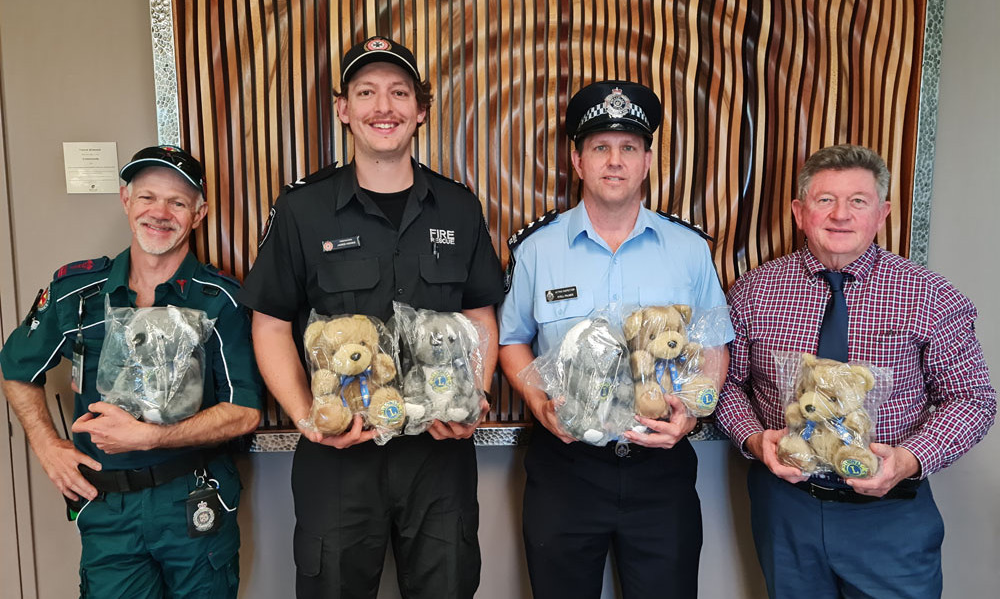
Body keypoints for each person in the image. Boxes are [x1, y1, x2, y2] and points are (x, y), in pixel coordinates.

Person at [240, 35, 504, 599]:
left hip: (439, 453)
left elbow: (480, 313)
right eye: (366, 92)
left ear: (421, 110)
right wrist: (308, 417)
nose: (383, 107)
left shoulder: (459, 207)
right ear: (343, 109)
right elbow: (269, 323)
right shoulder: (302, 210)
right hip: (341, 457)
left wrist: (473, 401)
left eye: (399, 92)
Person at [714, 144, 996, 599]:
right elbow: (726, 383)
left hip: (890, 514)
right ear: (799, 211)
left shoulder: (930, 295)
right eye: (825, 199)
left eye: (858, 201)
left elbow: (973, 399)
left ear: (882, 213)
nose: (840, 214)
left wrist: (908, 460)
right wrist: (751, 437)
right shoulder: (754, 291)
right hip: (786, 511)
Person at [497, 80, 732, 599]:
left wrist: (693, 412)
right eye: (600, 147)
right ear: (578, 162)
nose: (615, 161)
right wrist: (538, 400)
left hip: (660, 469)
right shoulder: (538, 249)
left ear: (647, 161)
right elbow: (511, 340)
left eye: (629, 148)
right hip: (567, 468)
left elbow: (715, 343)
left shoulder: (688, 249)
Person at [0, 145, 263, 598]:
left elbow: (244, 412)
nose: (159, 213)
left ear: (198, 214)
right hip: (107, 507)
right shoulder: (78, 292)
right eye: (147, 198)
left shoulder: (220, 300)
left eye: (177, 202)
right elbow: (15, 368)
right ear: (126, 200)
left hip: (194, 501)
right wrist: (48, 448)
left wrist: (154, 437)